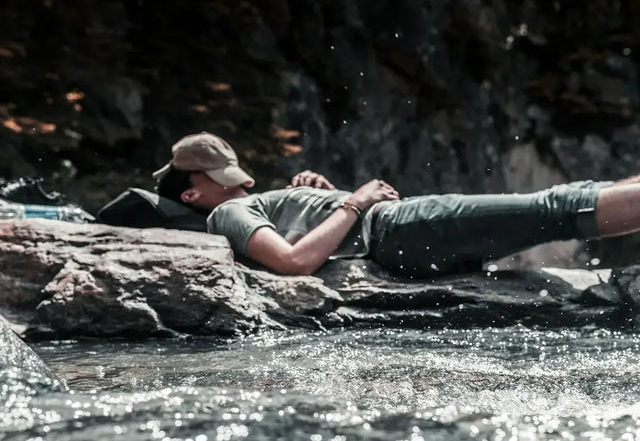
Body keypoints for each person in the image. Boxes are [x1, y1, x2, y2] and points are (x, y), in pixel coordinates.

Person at [153, 131, 640, 277]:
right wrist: (354, 203)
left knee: (564, 203)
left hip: (400, 232)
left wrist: (319, 199)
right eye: (220, 178)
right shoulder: (225, 214)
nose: (236, 185)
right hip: (400, 228)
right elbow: (293, 262)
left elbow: (309, 240)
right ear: (194, 194)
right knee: (556, 207)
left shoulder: (254, 203)